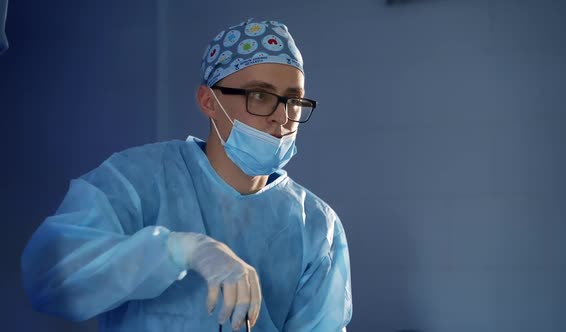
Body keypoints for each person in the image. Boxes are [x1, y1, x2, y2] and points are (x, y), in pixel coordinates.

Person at [21, 18, 352, 331]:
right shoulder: (137, 181)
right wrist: (178, 250)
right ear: (208, 102)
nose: (281, 117)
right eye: (260, 96)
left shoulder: (317, 226)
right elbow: (48, 277)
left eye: (293, 101)